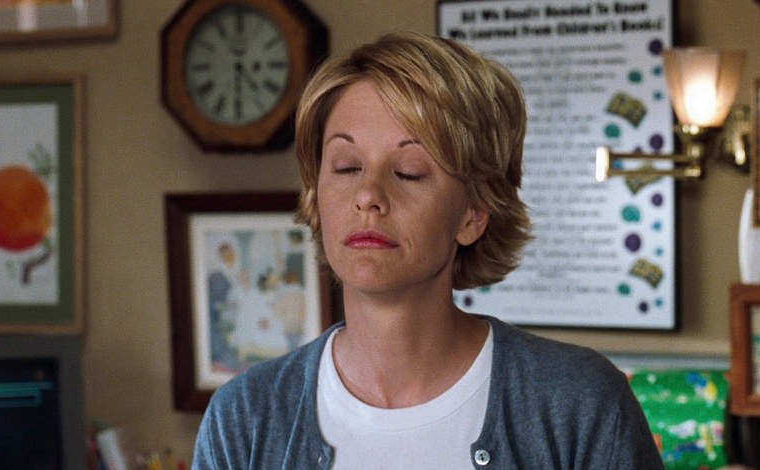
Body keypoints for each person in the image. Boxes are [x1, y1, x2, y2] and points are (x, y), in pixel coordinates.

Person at [192, 31, 664, 469]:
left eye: (409, 172)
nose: (368, 195)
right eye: (347, 166)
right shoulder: (243, 418)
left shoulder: (579, 403)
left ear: (474, 213)